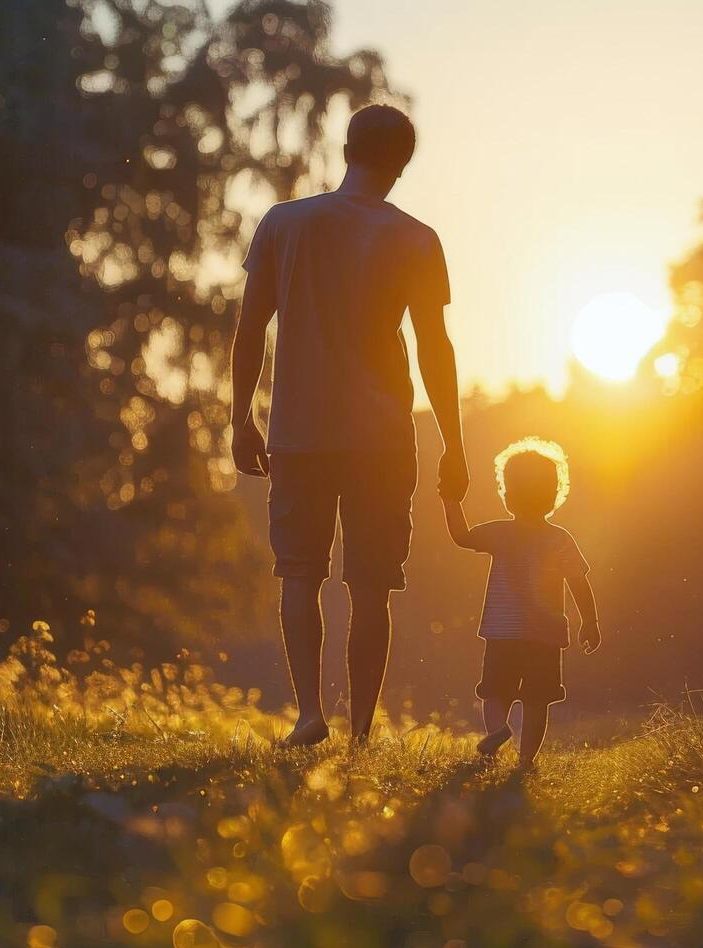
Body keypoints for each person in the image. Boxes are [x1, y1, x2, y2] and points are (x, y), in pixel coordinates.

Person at [228, 104, 469, 747]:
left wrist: (239, 417)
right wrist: (454, 441)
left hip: (300, 430)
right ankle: (361, 733)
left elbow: (251, 327)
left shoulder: (285, 223)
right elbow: (434, 349)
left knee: (299, 574)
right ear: (403, 164)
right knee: (371, 589)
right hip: (383, 438)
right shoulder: (418, 239)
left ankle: (310, 714)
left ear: (346, 149)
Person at [443, 438, 601, 767]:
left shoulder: (500, 533)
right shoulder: (559, 538)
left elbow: (461, 536)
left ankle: (498, 730)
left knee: (494, 691)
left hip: (502, 632)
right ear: (554, 494)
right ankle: (526, 760)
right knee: (537, 700)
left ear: (507, 493)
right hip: (545, 636)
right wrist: (590, 621)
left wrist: (450, 500)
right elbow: (578, 581)